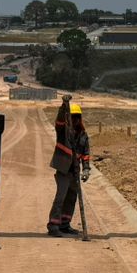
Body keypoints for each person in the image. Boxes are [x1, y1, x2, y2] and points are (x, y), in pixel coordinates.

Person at [47, 101, 90, 236]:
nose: (75, 120)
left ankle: (65, 224)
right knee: (61, 197)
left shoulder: (83, 135)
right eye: (72, 117)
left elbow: (86, 154)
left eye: (77, 117)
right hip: (63, 169)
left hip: (75, 171)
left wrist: (86, 169)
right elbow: (59, 121)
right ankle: (53, 225)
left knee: (72, 198)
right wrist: (63, 107)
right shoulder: (62, 131)